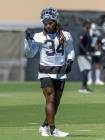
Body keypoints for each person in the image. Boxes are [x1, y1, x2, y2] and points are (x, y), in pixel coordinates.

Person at [24, 8, 75, 137]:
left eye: (50, 23)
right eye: (45, 23)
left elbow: (70, 51)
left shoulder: (66, 35)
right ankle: (53, 129)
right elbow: (30, 54)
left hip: (60, 71)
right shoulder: (38, 36)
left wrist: (69, 62)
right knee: (50, 98)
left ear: (56, 21)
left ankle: (44, 125)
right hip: (45, 71)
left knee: (56, 101)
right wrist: (28, 41)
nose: (48, 26)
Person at [77, 20, 93, 93]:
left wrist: (94, 49)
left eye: (90, 24)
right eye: (88, 24)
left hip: (85, 54)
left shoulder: (87, 33)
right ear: (85, 25)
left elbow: (88, 45)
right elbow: (79, 43)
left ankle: (85, 87)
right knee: (86, 69)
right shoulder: (83, 32)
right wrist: (85, 51)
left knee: (87, 70)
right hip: (82, 54)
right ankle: (83, 88)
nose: (90, 25)